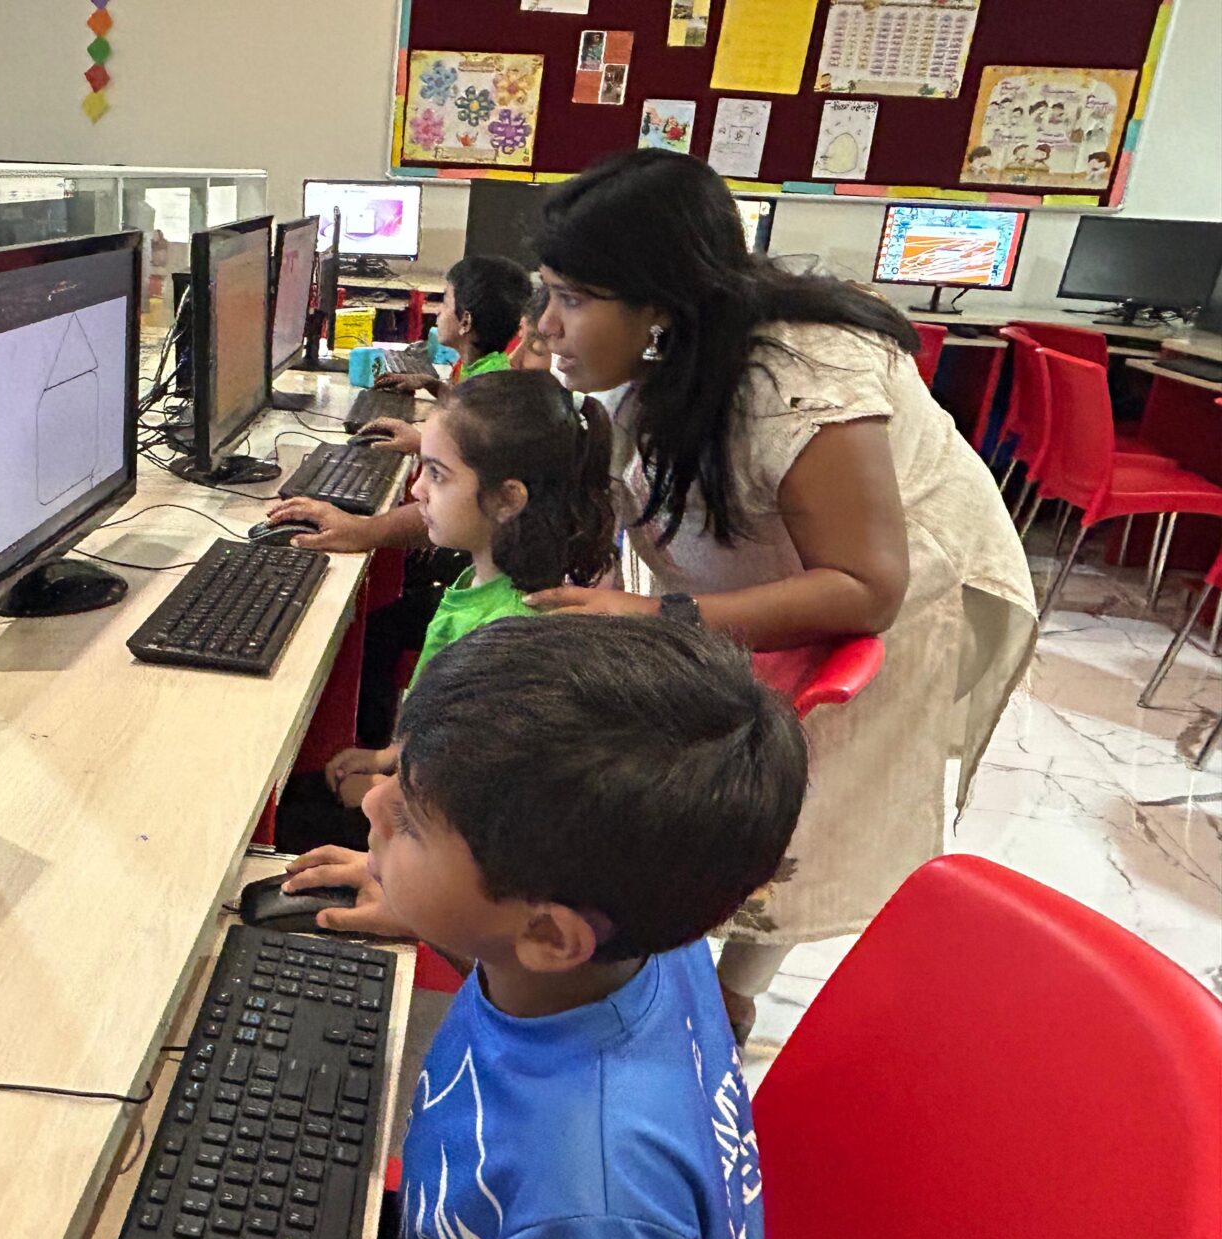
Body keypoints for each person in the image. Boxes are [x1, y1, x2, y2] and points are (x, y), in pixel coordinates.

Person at [127, 615, 810, 1239]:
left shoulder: (590, 1199)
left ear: (551, 937)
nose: (372, 803)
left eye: (410, 820)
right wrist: (423, 898)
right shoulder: (651, 939)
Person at [519, 148, 1036, 1040]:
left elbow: (868, 588)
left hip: (906, 584)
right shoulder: (672, 356)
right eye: (546, 294)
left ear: (659, 307)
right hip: (812, 564)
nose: (547, 327)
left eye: (571, 299)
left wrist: (660, 615)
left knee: (807, 792)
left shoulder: (795, 376)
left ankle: (729, 998)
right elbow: (628, 492)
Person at [274, 370, 614, 852]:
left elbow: (470, 808)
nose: (416, 491)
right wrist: (392, 755)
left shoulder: (508, 634)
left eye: (436, 474)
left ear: (507, 499)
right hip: (413, 787)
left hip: (422, 839)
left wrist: (383, 793)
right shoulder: (485, 580)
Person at [361, 254, 532, 456]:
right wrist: (430, 383)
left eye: (445, 303)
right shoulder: (486, 366)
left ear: (465, 322)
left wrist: (421, 443)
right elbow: (463, 408)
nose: (437, 313)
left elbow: (479, 457)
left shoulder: (489, 388)